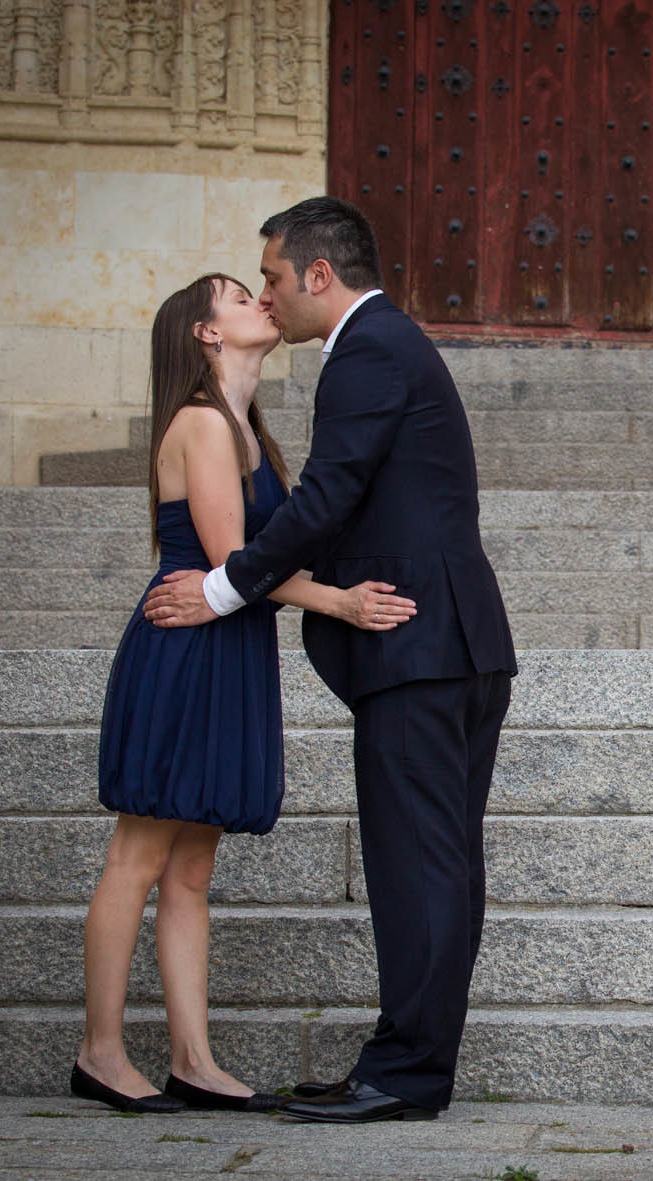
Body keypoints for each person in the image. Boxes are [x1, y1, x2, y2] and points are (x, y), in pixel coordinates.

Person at [143, 197, 517, 1124]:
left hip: (419, 648)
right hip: (442, 644)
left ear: (319, 275)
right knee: (435, 866)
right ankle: (407, 1062)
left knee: (418, 868)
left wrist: (226, 587)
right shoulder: (384, 345)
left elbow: (327, 496)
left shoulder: (369, 347)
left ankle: (405, 1075)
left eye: (271, 276)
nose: (268, 294)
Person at [74, 273, 417, 1115]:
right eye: (236, 295)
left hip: (227, 645)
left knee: (191, 866)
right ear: (204, 333)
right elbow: (237, 562)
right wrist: (338, 601)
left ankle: (193, 1057)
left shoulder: (249, 428)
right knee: (141, 852)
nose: (259, 299)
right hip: (185, 647)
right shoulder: (200, 423)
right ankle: (100, 1052)